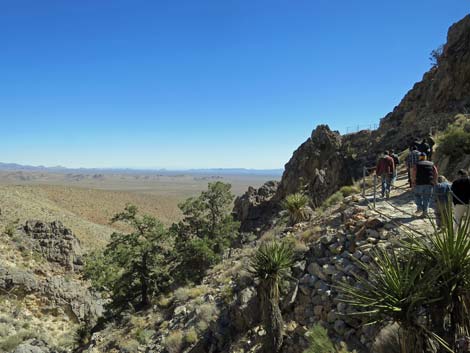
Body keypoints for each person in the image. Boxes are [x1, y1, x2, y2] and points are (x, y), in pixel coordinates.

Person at [411, 153, 438, 217]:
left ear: (419, 157)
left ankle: (420, 207)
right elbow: (436, 172)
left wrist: (413, 182)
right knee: (427, 198)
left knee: (417, 195)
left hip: (419, 183)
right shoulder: (431, 164)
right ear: (425, 157)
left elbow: (414, 172)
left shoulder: (417, 164)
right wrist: (435, 181)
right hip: (429, 183)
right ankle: (425, 212)